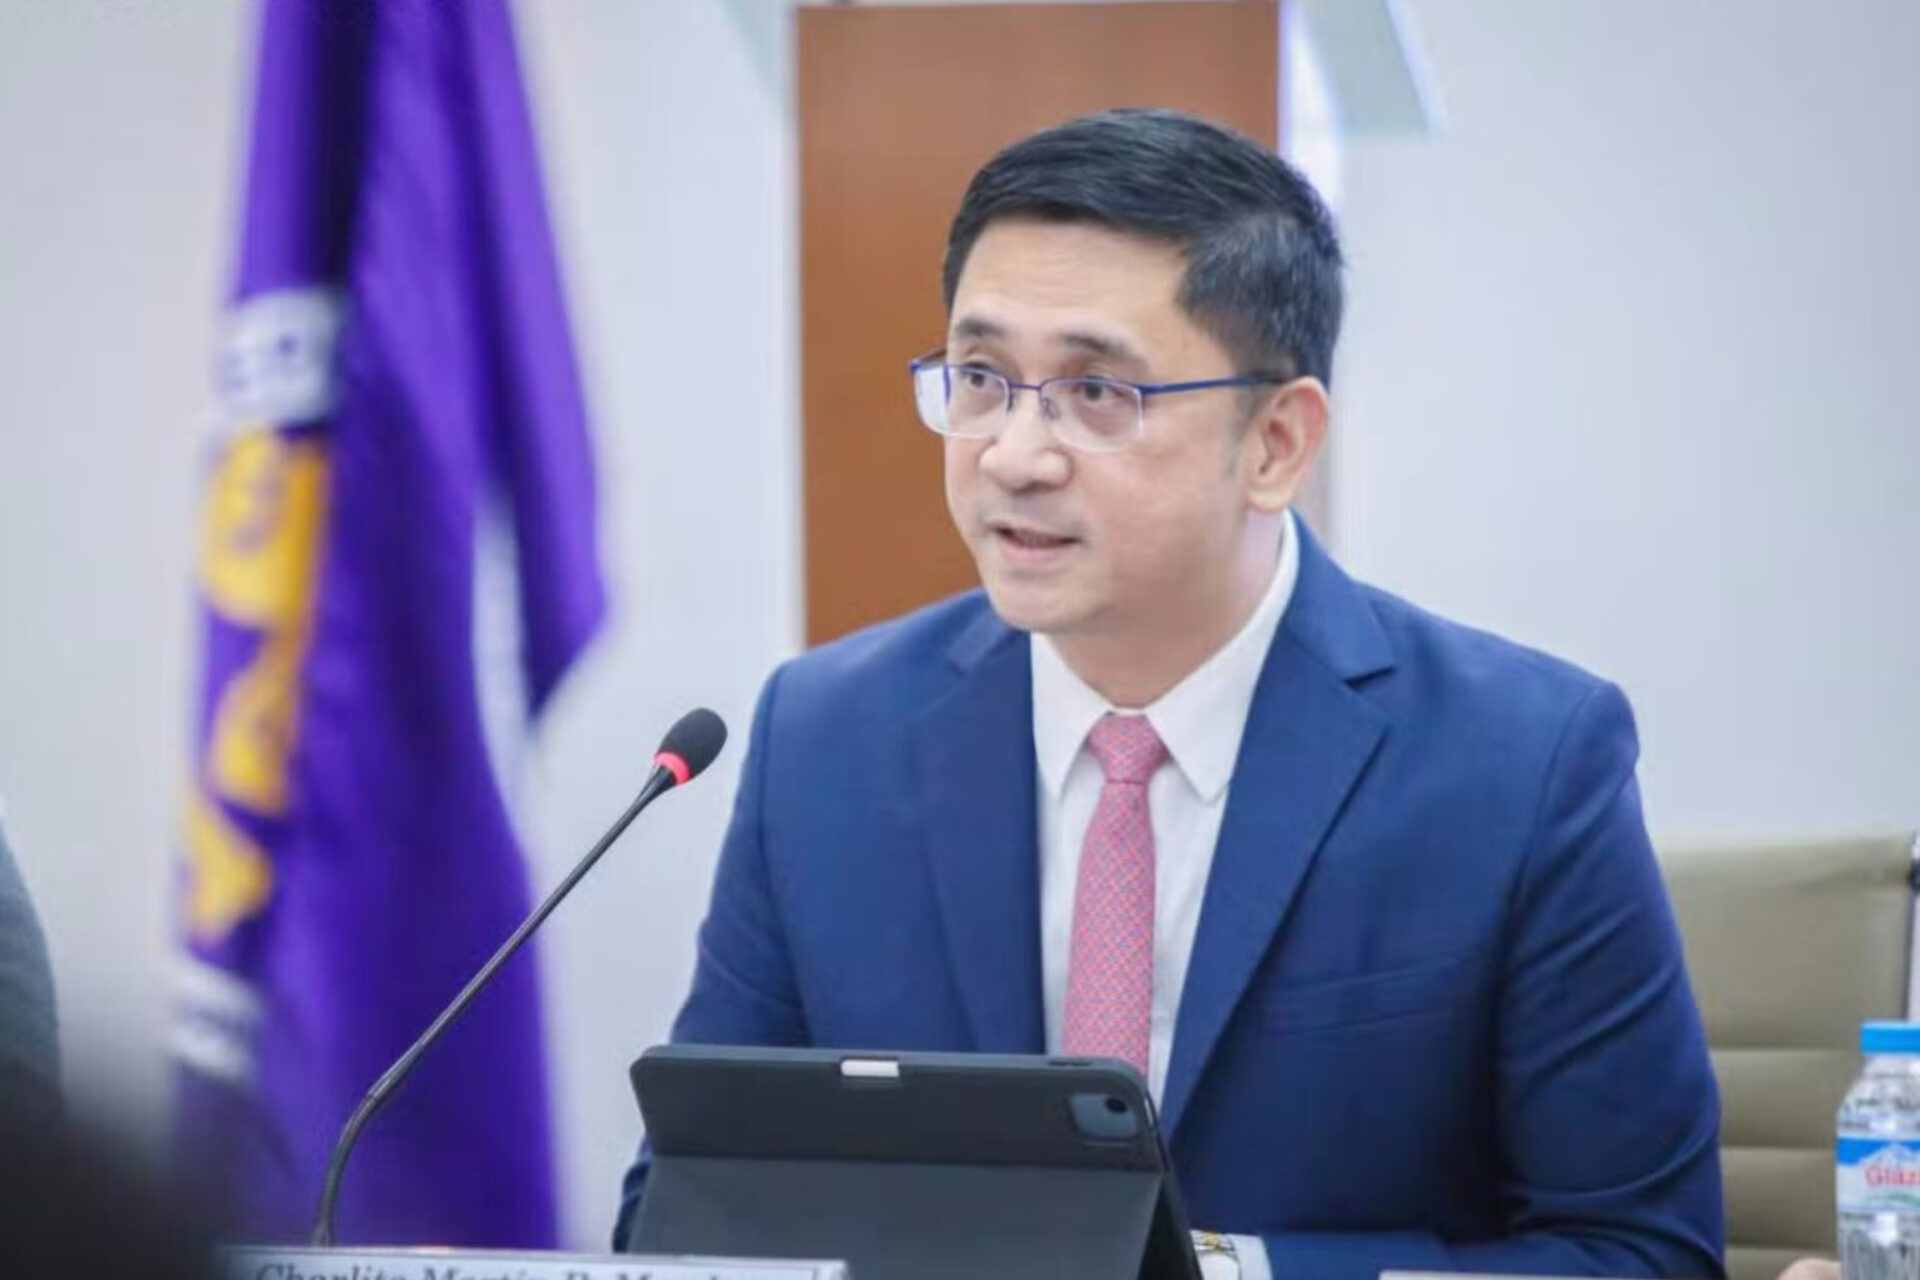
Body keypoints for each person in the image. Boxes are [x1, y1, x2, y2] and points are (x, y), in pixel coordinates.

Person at [616, 108, 1723, 1280]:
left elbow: (1639, 1253)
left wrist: (1213, 1271)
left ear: (1277, 442)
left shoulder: (1522, 761)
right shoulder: (827, 737)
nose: (1013, 455)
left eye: (1097, 393)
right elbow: (688, 1217)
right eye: (981, 378)